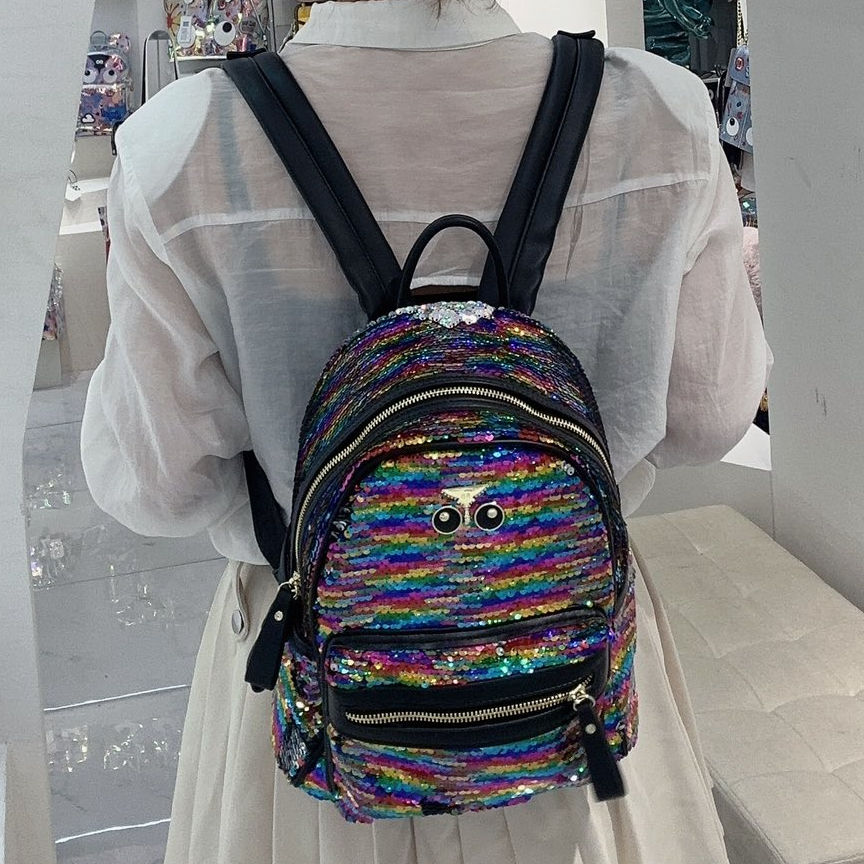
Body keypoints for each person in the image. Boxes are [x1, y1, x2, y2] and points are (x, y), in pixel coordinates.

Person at [81, 1, 770, 861]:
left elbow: (156, 487)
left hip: (328, 686)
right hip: (568, 666)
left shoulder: (181, 143)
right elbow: (708, 420)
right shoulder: (659, 112)